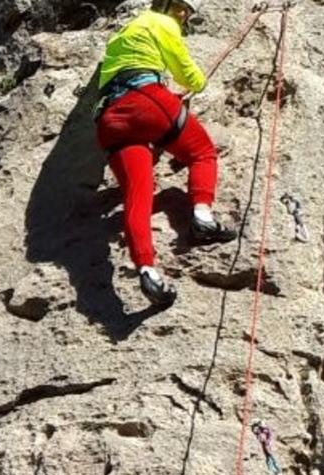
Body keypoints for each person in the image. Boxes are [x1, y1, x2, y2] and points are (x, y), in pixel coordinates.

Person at [94, 0, 236, 306]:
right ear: (166, 5)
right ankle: (202, 218)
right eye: (182, 8)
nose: (183, 15)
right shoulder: (161, 23)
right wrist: (197, 83)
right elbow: (186, 71)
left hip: (110, 119)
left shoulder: (120, 36)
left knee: (137, 195)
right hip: (146, 100)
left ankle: (148, 270)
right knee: (202, 153)